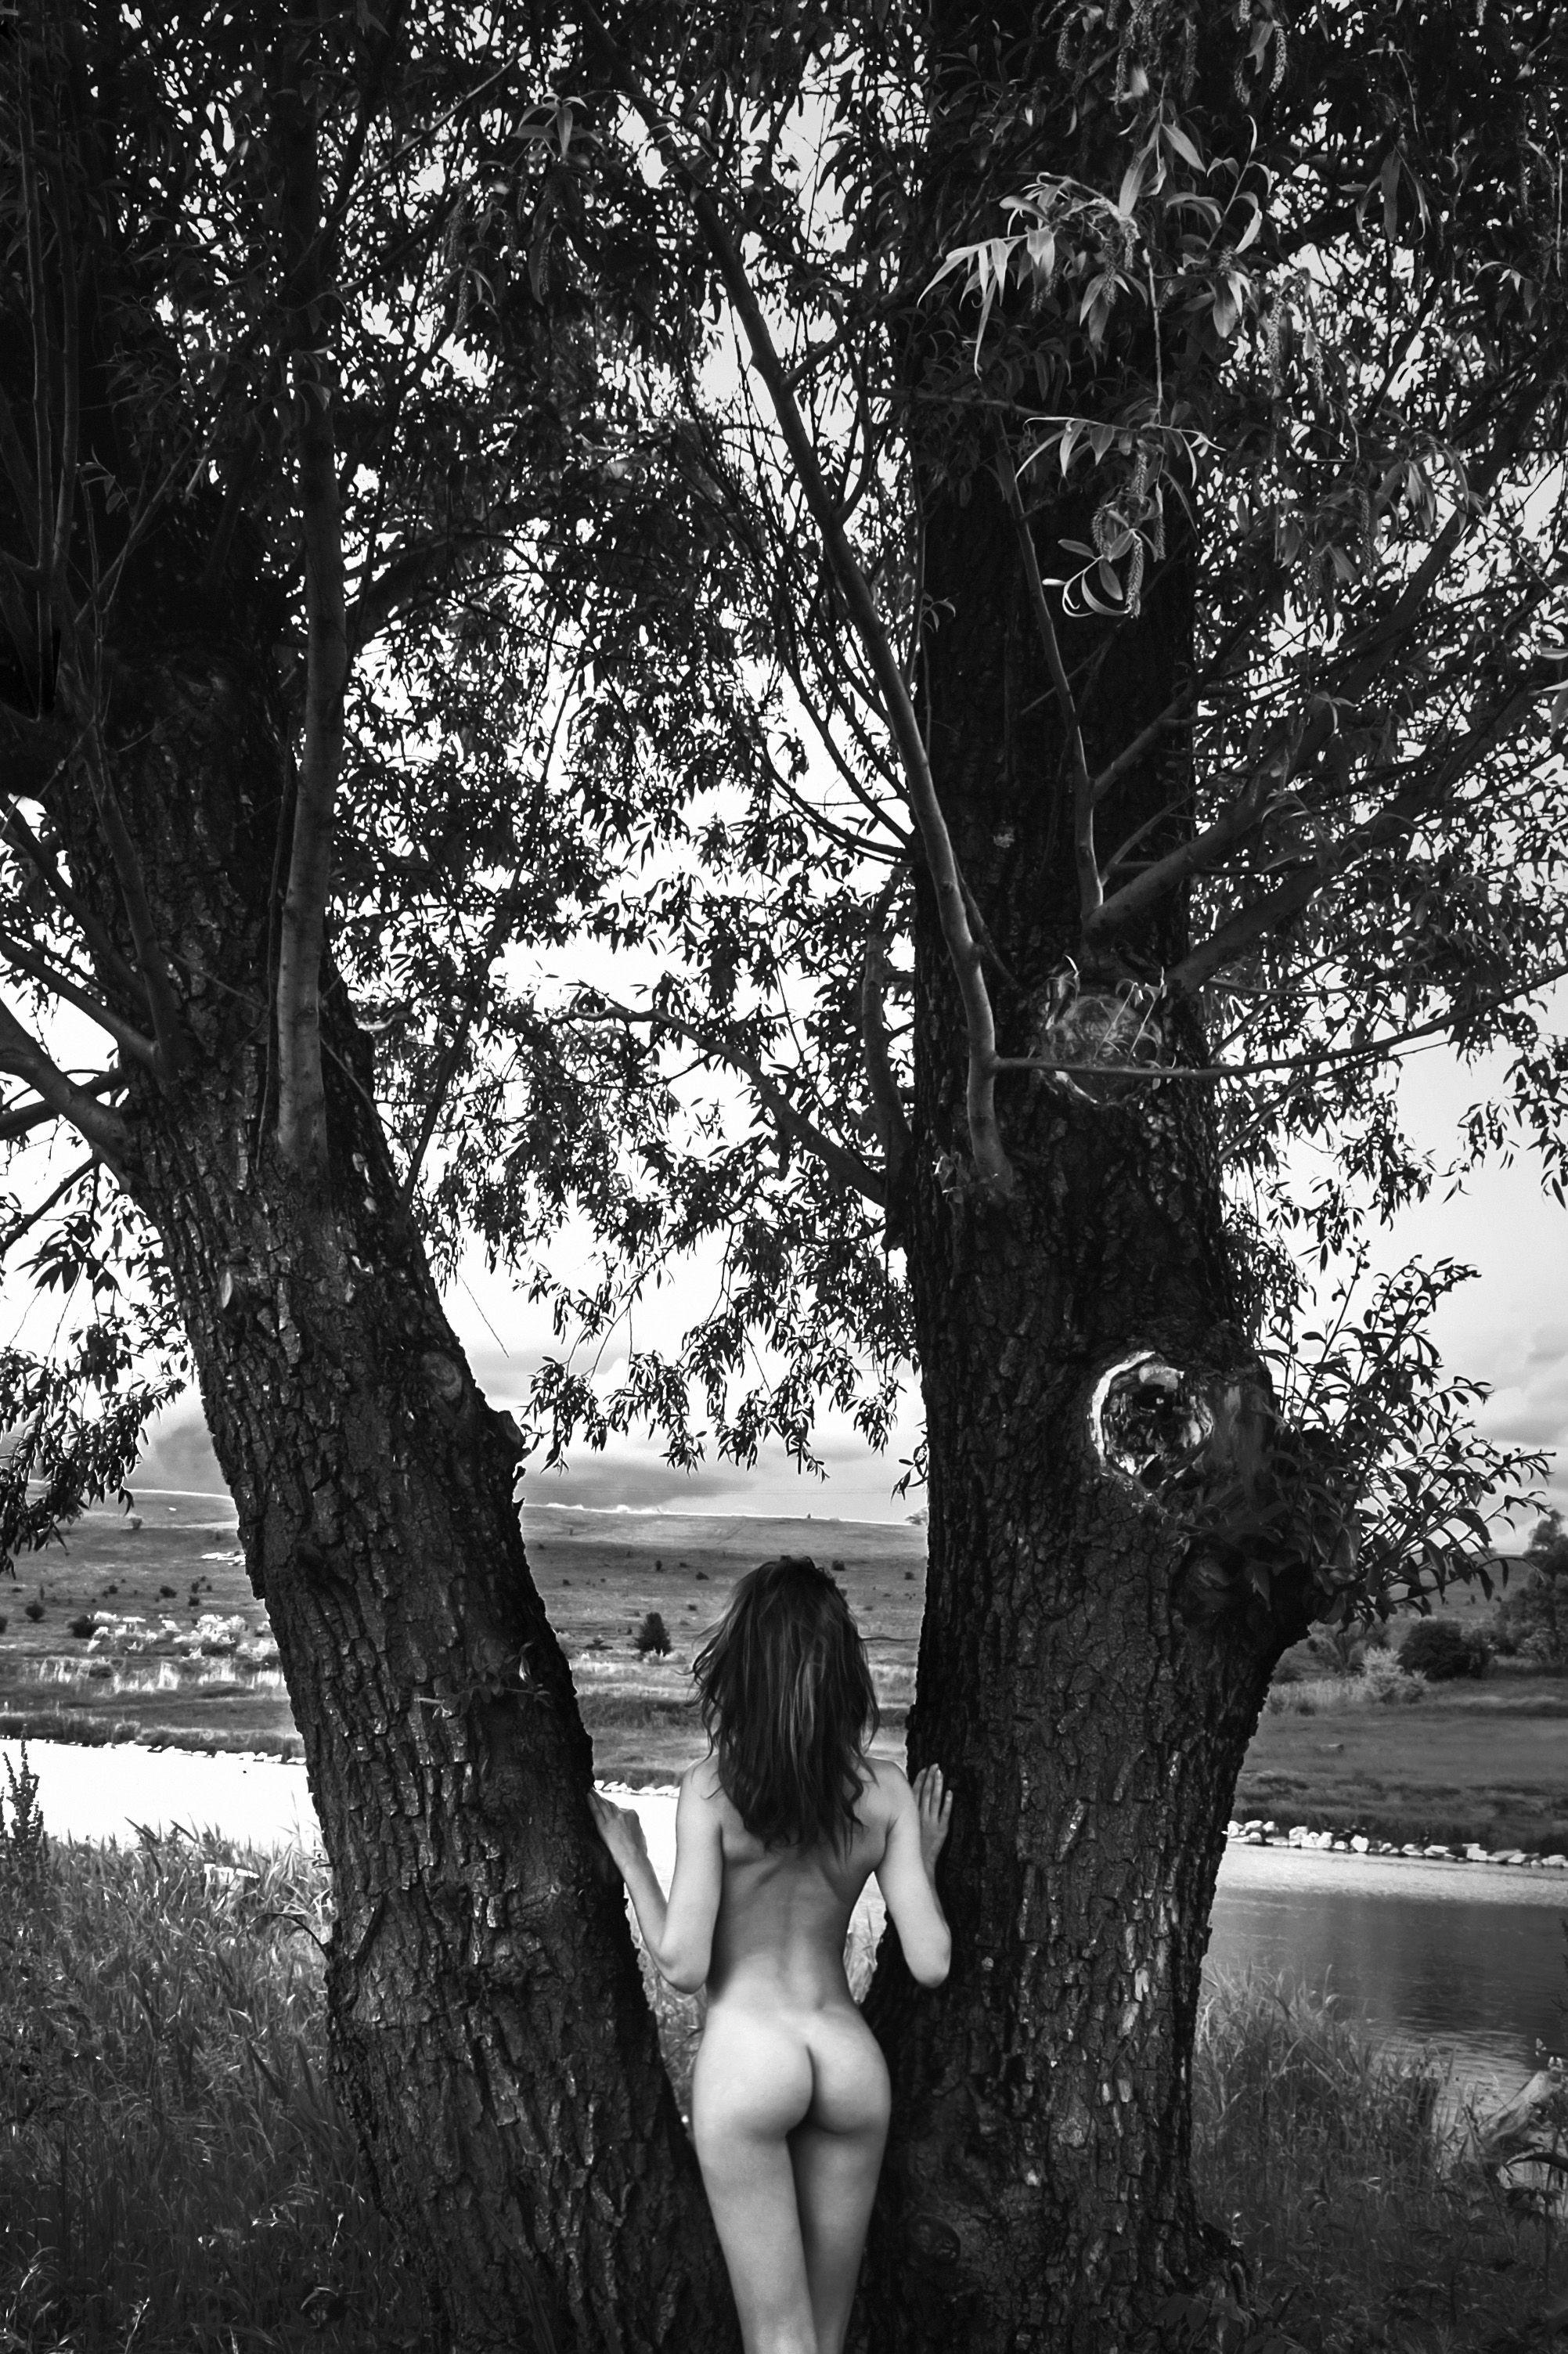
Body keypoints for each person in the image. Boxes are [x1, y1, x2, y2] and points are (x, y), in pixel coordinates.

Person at [591, 1555, 953, 2354]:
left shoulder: (711, 1789)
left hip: (750, 2059)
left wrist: (633, 1860)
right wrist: (921, 1863)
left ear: (743, 1668)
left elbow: (683, 1964)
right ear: (843, 1672)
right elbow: (930, 1961)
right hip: (846, 2061)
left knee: (779, 2340)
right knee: (823, 2336)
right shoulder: (886, 1791)